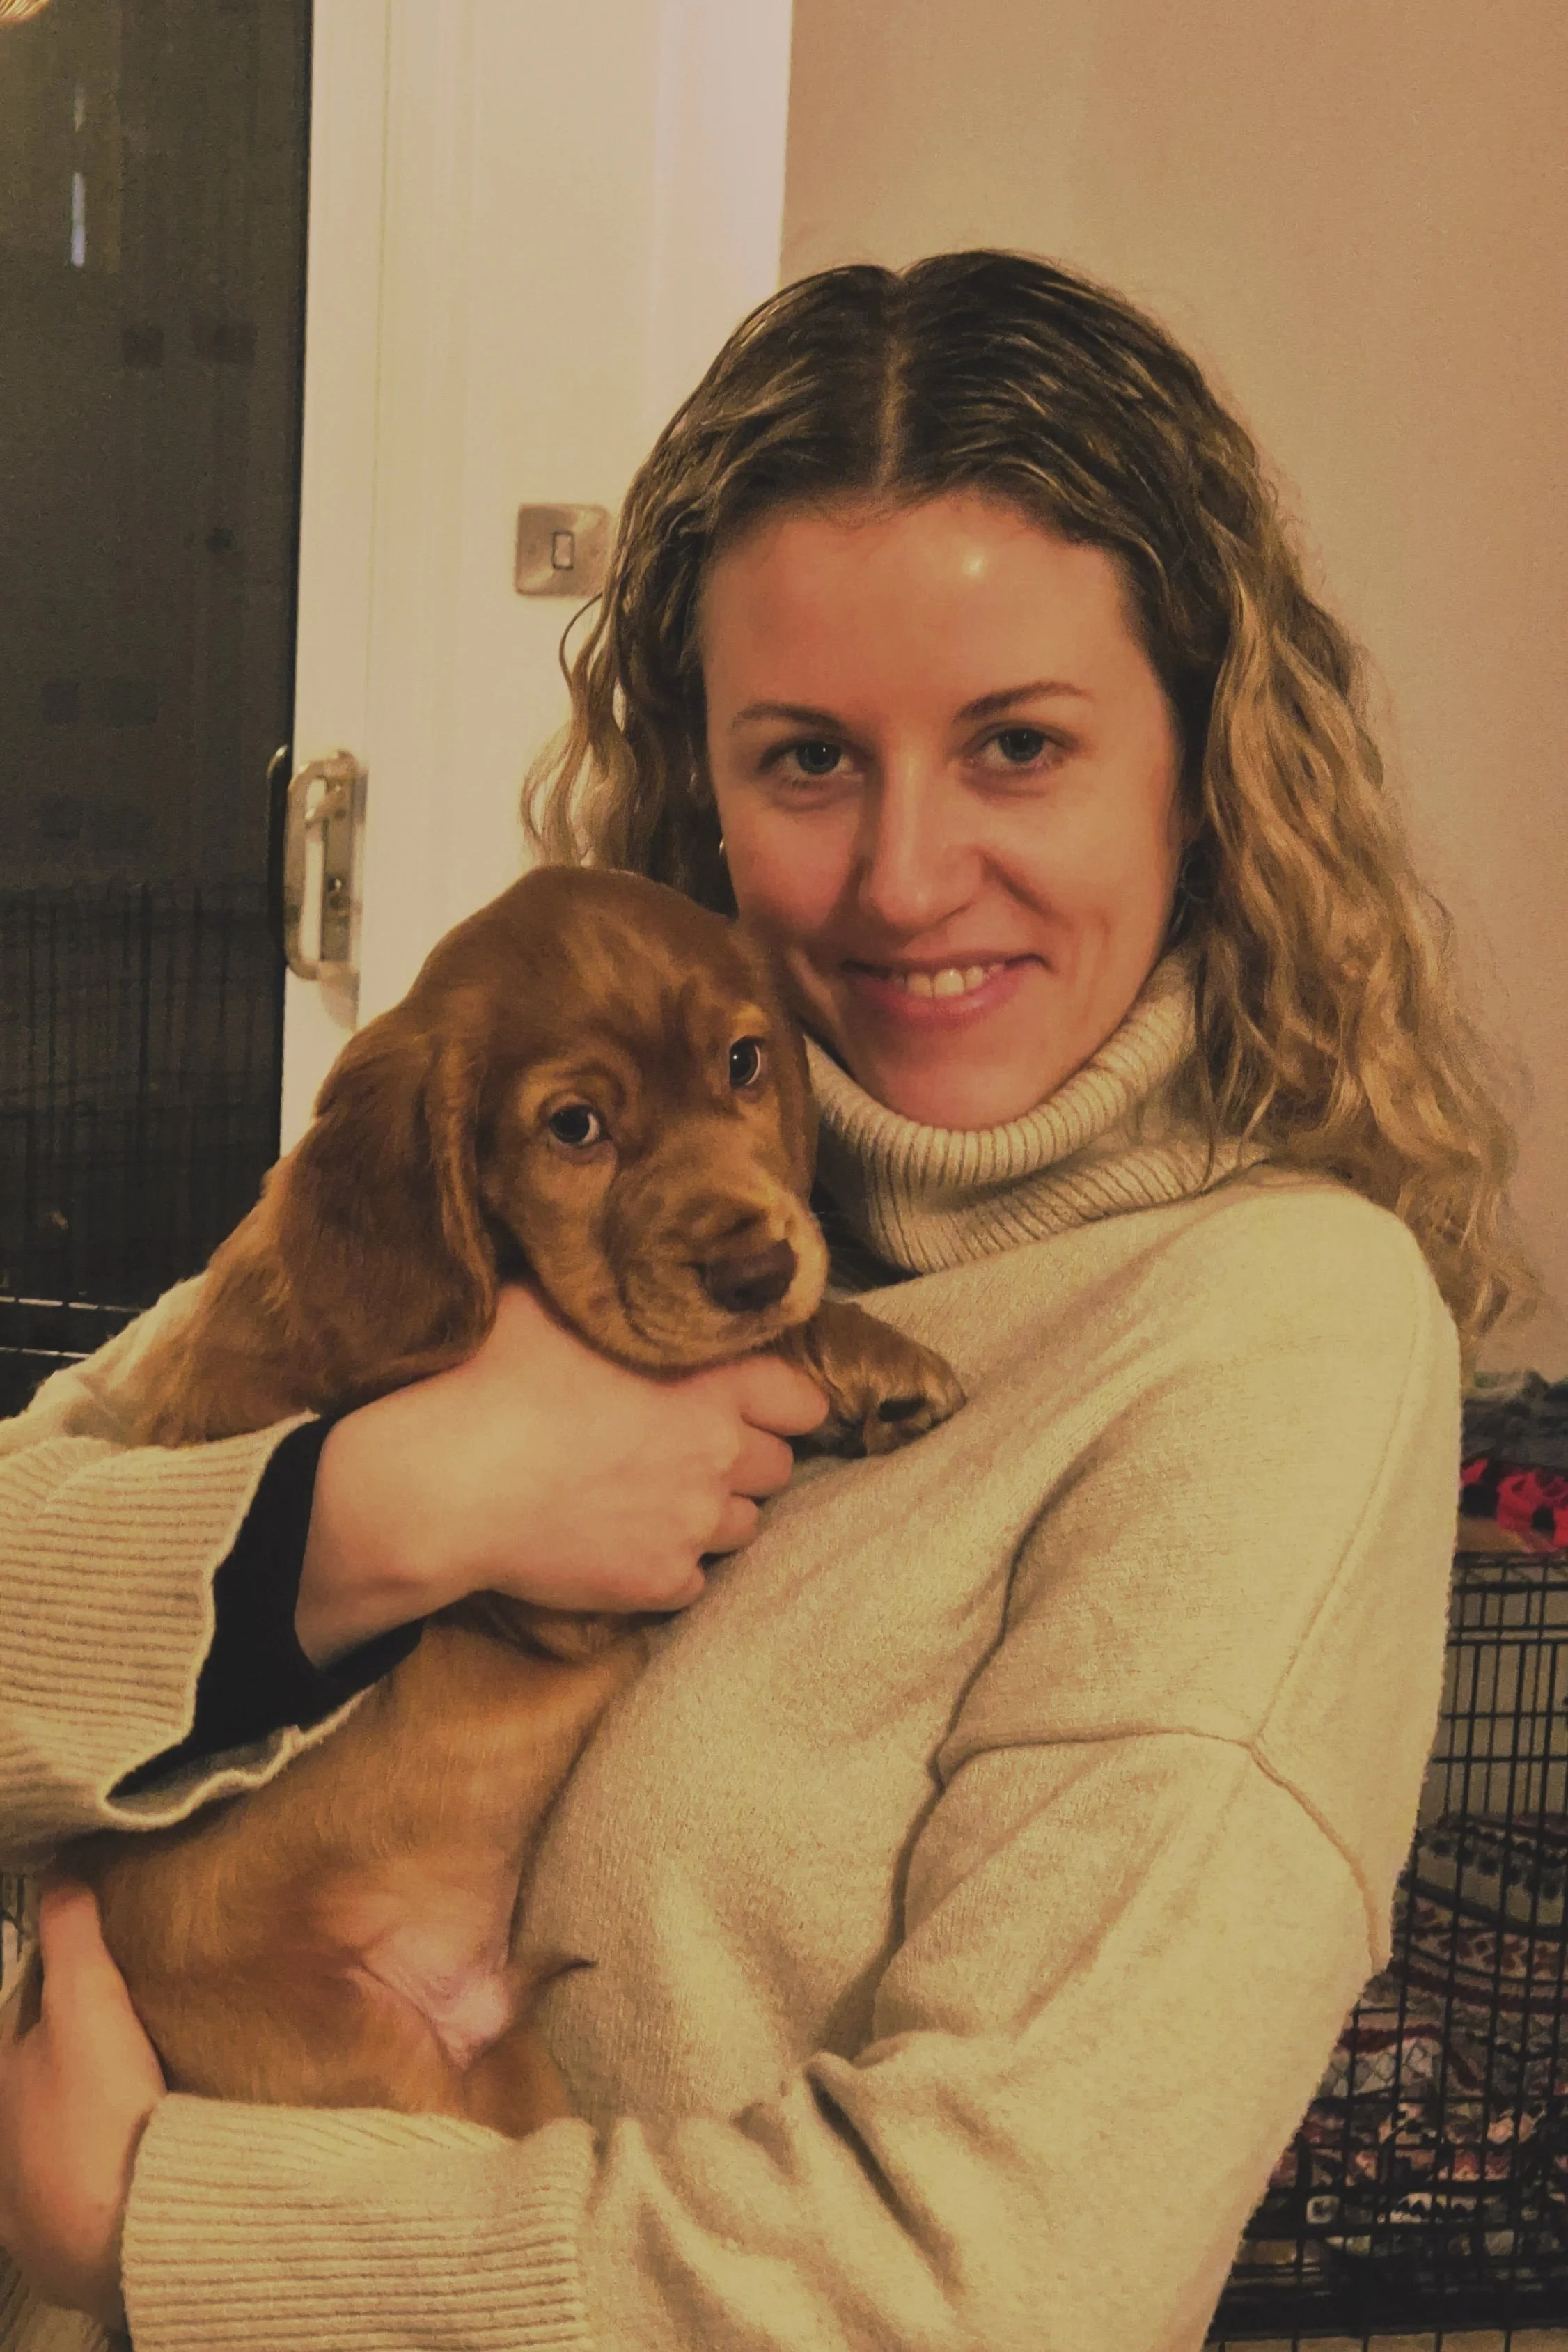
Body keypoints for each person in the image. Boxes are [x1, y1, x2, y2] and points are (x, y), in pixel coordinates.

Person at [0, 250, 1532, 2351]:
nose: (904, 880)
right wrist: (382, 1507)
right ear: (697, 772)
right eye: (808, 758)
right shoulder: (561, 1158)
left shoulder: (1268, 1333)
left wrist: (148, 2225)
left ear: (1206, 760)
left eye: (1016, 745)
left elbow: (999, 2286)